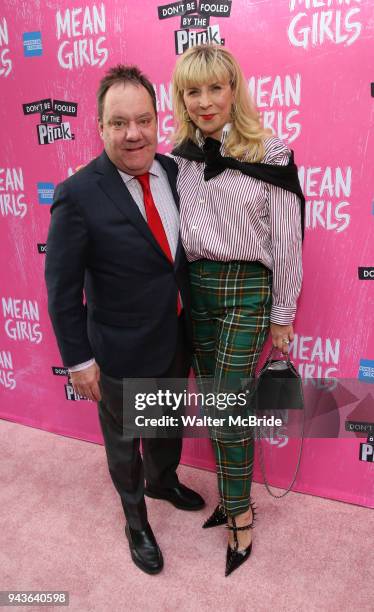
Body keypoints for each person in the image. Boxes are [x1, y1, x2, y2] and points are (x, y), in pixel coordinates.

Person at [45, 65, 205, 576]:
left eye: (142, 120)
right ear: (99, 125)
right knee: (124, 443)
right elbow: (62, 290)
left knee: (165, 426)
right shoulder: (77, 194)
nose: (133, 133)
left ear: (158, 120)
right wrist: (78, 361)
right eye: (119, 123)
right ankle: (135, 519)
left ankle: (163, 481)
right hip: (115, 348)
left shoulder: (176, 172)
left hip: (174, 335)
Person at [171, 45, 304, 576]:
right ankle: (230, 498)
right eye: (192, 91)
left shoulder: (271, 153)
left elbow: (288, 240)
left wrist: (284, 312)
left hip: (250, 288)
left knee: (226, 408)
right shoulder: (177, 160)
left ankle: (241, 516)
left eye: (214, 88)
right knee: (217, 405)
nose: (205, 101)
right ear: (182, 97)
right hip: (197, 291)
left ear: (234, 89)